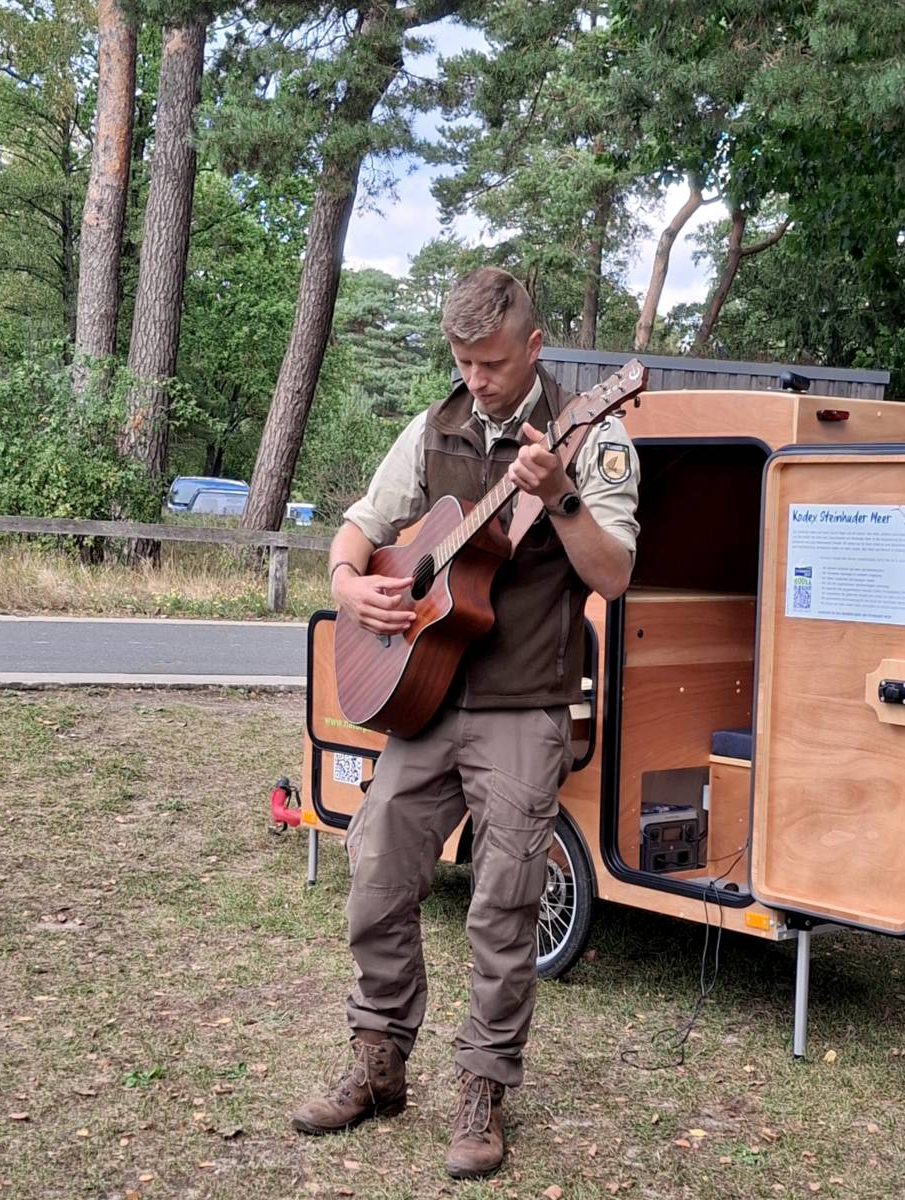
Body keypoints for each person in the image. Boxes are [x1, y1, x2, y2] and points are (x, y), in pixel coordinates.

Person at [291, 267, 641, 1179]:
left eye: (490, 361)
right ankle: (379, 1061)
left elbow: (612, 577)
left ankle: (483, 1087)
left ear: (533, 349)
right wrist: (348, 585)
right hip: (425, 698)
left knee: (503, 904)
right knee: (373, 875)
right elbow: (361, 526)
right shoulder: (433, 428)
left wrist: (560, 496)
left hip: (525, 706)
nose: (475, 378)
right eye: (461, 358)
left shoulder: (595, 437)